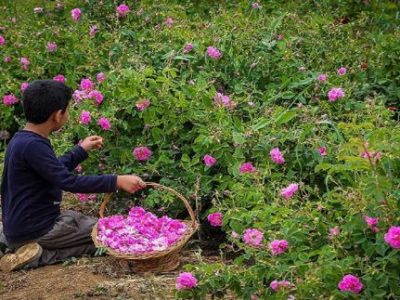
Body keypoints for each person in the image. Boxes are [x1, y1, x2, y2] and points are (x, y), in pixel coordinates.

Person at [0, 80, 146, 272]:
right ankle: (37, 255)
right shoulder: (34, 145)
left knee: (85, 226)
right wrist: (116, 181)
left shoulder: (22, 140)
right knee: (105, 233)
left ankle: (14, 243)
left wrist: (80, 150)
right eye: (67, 110)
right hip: (41, 228)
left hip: (19, 225)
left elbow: (53, 170)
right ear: (58, 115)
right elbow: (68, 181)